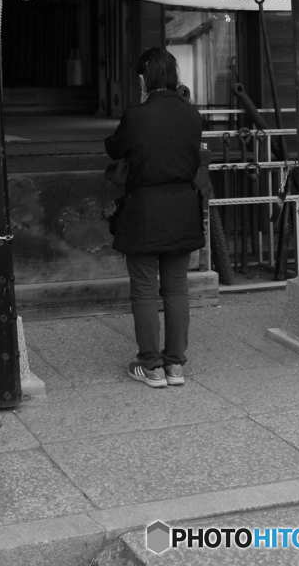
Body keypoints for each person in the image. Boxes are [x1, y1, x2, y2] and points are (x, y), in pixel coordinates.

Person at [104, 47, 204, 389]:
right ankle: (175, 366)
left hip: (145, 208)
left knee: (145, 290)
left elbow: (115, 148)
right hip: (183, 207)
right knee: (177, 289)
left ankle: (151, 366)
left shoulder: (137, 115)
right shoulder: (193, 115)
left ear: (147, 77)